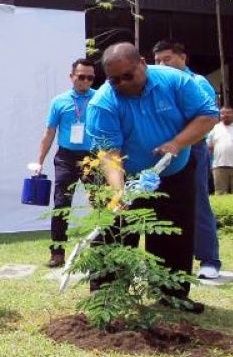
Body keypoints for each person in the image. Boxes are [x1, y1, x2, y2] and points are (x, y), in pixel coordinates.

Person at [86, 42, 218, 313]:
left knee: (174, 235)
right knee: (115, 231)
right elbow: (109, 154)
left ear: (143, 64)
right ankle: (106, 295)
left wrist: (177, 143)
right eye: (114, 80)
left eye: (128, 75)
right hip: (127, 176)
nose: (122, 84)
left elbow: (207, 116)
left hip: (175, 173)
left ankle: (172, 295)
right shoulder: (103, 103)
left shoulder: (176, 82)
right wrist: (119, 192)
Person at [152, 39, 221, 280]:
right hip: (162, 152)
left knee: (198, 201)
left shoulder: (197, 82)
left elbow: (207, 119)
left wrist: (181, 141)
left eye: (167, 59)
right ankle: (162, 263)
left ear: (183, 58)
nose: (162, 65)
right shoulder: (157, 85)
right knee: (161, 205)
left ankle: (209, 259)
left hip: (192, 149)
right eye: (158, 60)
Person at [34, 59, 97, 268]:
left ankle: (102, 250)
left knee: (100, 204)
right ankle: (57, 253)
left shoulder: (99, 98)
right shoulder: (59, 101)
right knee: (61, 205)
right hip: (66, 158)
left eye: (90, 78)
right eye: (81, 77)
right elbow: (49, 132)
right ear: (72, 77)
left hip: (92, 157)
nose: (86, 81)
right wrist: (39, 162)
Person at [209, 105, 233, 194]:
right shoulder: (214, 128)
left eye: (228, 113)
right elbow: (209, 147)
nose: (225, 115)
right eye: (222, 113)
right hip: (219, 166)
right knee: (220, 194)